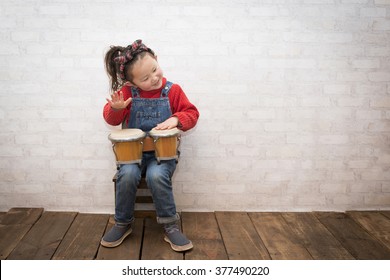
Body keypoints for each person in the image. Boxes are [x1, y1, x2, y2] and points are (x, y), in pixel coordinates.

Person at [101, 39, 199, 252]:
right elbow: (110, 118)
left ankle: (170, 225)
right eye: (145, 78)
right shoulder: (128, 94)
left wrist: (177, 119)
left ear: (156, 59)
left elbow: (192, 113)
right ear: (132, 83)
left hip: (162, 155)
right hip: (132, 155)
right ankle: (122, 222)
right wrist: (117, 109)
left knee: (156, 176)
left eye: (155, 70)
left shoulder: (173, 91)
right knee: (127, 175)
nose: (155, 78)